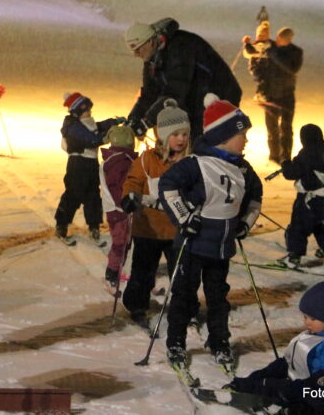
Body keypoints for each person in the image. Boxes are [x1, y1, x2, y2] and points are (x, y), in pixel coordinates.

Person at [159, 94, 262, 367]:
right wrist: (183, 218)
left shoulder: (243, 170)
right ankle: (176, 342)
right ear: (224, 137)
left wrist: (244, 225)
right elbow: (168, 186)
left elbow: (255, 199)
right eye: (243, 135)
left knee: (218, 298)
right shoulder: (197, 164)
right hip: (192, 245)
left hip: (221, 247)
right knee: (183, 295)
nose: (247, 140)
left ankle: (219, 340)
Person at [226, 275, 324, 414]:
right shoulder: (315, 333)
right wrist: (257, 379)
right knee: (273, 378)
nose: (306, 322)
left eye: (313, 318)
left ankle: (288, 410)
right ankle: (247, 389)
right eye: (305, 317)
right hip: (305, 386)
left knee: (302, 400)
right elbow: (289, 362)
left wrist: (295, 387)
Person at [121, 100, 194, 329]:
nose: (180, 139)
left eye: (184, 134)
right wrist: (129, 198)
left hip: (177, 230)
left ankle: (185, 307)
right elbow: (133, 181)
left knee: (182, 273)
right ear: (162, 136)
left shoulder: (191, 163)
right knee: (143, 270)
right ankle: (137, 305)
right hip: (148, 228)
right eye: (175, 134)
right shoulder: (147, 160)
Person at [124, 18, 242, 138]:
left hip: (219, 98)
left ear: (150, 42)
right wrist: (134, 118)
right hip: (194, 101)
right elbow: (150, 93)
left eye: (138, 49)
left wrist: (146, 122)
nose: (136, 54)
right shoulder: (152, 57)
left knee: (200, 146)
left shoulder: (181, 46)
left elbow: (176, 91)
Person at [56, 92, 121, 246]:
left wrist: (114, 122)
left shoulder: (86, 122)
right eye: (87, 110)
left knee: (92, 196)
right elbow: (91, 139)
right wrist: (107, 137)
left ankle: (94, 226)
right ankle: (62, 223)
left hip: (91, 165)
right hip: (78, 165)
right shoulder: (73, 127)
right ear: (79, 111)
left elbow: (98, 126)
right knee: (73, 194)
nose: (90, 113)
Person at [280, 124, 324, 268]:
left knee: (298, 228)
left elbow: (292, 173)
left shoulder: (305, 154)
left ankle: (294, 257)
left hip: (309, 200)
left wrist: (286, 164)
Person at [99, 124, 137, 294]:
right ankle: (112, 273)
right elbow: (117, 187)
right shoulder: (120, 162)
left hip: (118, 209)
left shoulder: (118, 159)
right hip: (119, 210)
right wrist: (125, 202)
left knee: (125, 241)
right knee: (121, 242)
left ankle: (119, 268)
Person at [261, 27, 303, 163]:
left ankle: (286, 156)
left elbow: (292, 69)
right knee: (271, 128)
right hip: (270, 95)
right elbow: (253, 51)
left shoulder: (296, 52)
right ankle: (274, 156)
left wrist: (274, 55)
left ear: (289, 40)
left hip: (287, 95)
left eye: (282, 39)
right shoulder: (270, 47)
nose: (278, 41)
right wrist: (247, 43)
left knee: (286, 128)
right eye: (278, 38)